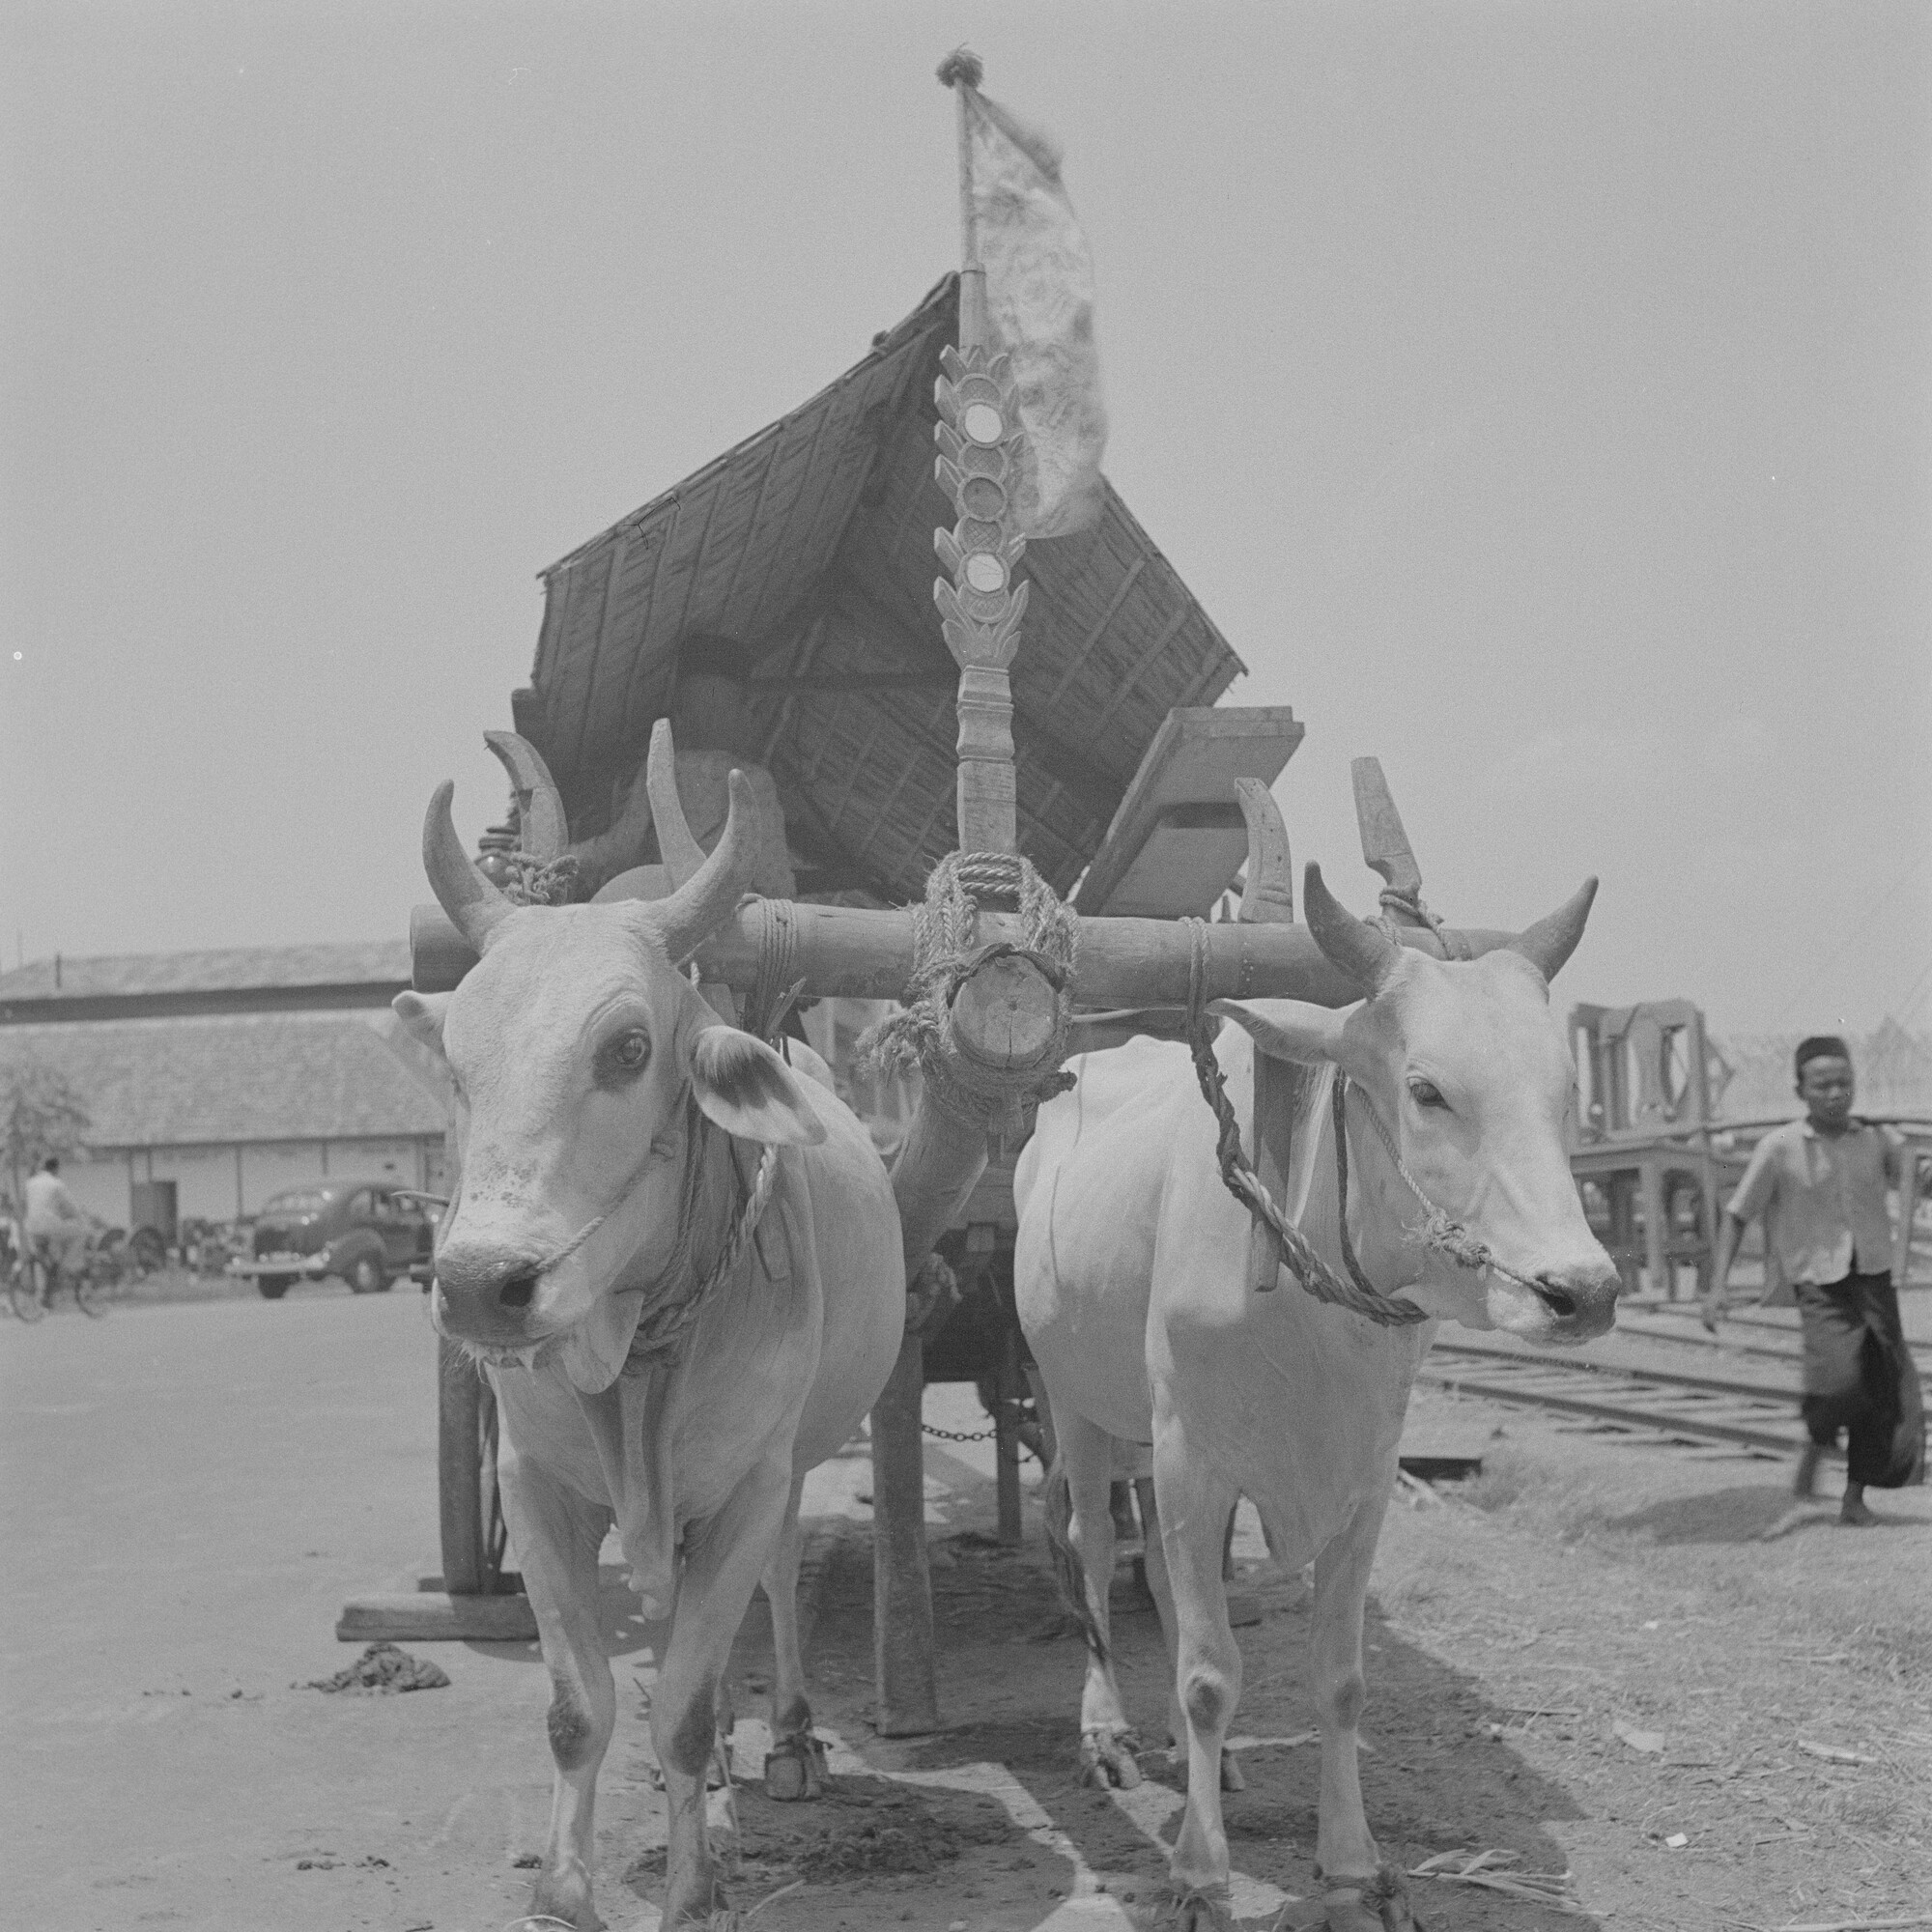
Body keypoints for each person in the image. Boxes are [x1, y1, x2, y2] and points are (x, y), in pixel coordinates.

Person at [1703, 1037, 1925, 1524]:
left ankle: (1854, 1497)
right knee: (1839, 1382)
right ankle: (1818, 1436)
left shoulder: (1875, 1140)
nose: (1836, 1094)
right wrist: (1717, 1288)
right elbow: (1738, 1215)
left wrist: (1920, 1165)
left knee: (1884, 1388)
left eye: (1845, 1083)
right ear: (1800, 1090)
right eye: (1823, 1085)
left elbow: (1915, 1179)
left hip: (1873, 1277)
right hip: (1819, 1283)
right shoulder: (1779, 1147)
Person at [22, 1155, 87, 1301]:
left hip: (31, 1228)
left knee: (43, 1261)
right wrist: (80, 1218)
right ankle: (67, 1266)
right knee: (79, 1233)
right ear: (56, 1169)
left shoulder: (30, 1183)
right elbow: (70, 1206)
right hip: (49, 1227)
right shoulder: (56, 1184)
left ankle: (43, 1295)